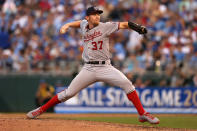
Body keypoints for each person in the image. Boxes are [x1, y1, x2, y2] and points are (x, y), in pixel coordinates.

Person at [26, 6, 160, 124]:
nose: (97, 16)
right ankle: (41, 109)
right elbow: (79, 23)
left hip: (105, 67)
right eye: (94, 14)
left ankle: (142, 114)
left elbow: (125, 24)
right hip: (89, 68)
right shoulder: (85, 24)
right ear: (88, 17)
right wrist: (67, 25)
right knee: (68, 93)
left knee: (127, 84)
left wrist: (138, 28)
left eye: (98, 14)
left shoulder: (105, 26)